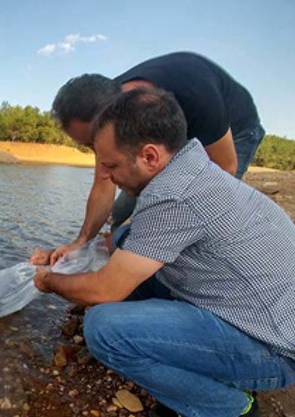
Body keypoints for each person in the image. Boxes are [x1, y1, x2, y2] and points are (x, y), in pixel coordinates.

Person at [32, 87, 295, 417]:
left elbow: (104, 290)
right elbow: (122, 243)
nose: (106, 175)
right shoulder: (189, 171)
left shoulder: (173, 197)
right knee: (124, 244)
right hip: (278, 322)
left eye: (111, 165)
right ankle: (206, 363)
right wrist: (73, 254)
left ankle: (227, 410)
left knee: (104, 329)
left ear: (149, 156)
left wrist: (50, 281)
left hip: (276, 352)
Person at [32, 52, 265, 266]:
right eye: (89, 146)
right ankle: (117, 268)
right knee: (124, 211)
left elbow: (225, 167)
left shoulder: (193, 92)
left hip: (231, 134)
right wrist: (81, 242)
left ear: (114, 118)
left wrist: (151, 227)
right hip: (165, 134)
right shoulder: (101, 105)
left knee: (188, 214)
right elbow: (103, 182)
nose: (96, 152)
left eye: (94, 142)